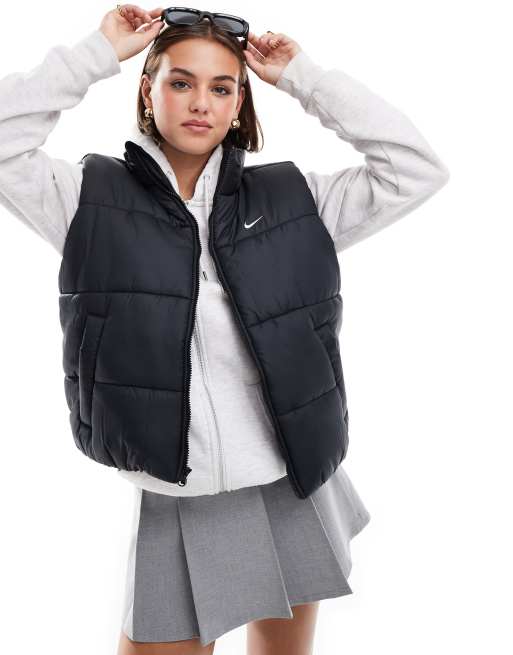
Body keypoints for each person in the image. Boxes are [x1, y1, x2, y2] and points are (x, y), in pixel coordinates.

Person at [0, 5, 449, 654]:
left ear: (240, 103)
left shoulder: (297, 202)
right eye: (181, 82)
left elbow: (416, 168)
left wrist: (303, 77)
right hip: (178, 487)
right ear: (148, 89)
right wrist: (95, 52)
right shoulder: (84, 201)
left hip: (291, 473)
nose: (200, 103)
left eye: (221, 87)